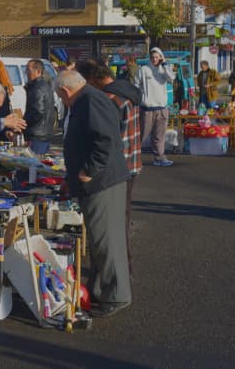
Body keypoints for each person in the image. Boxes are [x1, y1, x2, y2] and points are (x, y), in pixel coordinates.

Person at [55, 70, 131, 318]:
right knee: (102, 241)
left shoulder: (89, 101)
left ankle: (116, 295)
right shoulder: (90, 99)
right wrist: (71, 178)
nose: (63, 102)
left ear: (66, 92)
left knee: (106, 241)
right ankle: (101, 290)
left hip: (102, 182)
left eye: (61, 97)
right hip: (101, 181)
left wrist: (88, 170)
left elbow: (106, 140)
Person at [77, 59, 142, 280]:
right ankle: (125, 270)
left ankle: (119, 274)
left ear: (95, 79)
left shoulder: (110, 99)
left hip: (115, 169)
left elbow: (106, 140)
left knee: (114, 226)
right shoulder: (128, 92)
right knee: (123, 220)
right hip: (132, 164)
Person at [133, 47, 176, 166]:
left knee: (159, 136)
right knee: (141, 135)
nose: (155, 59)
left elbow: (172, 78)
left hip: (162, 108)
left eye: (157, 57)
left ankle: (159, 158)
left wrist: (165, 64)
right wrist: (140, 100)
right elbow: (136, 85)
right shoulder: (143, 69)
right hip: (147, 108)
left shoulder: (165, 69)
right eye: (152, 57)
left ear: (161, 57)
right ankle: (132, 157)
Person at [23, 59, 56, 155]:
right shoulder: (42, 86)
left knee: (33, 166)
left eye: (28, 70)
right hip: (42, 134)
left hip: (37, 135)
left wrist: (22, 124)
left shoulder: (38, 88)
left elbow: (37, 112)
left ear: (38, 72)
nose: (26, 73)